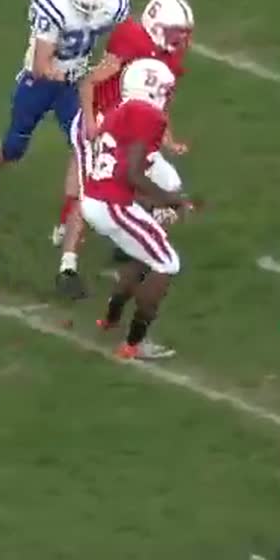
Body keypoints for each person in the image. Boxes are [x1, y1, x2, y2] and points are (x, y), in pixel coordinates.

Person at [53, 0, 193, 298]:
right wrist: (91, 122)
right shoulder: (132, 40)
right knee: (91, 194)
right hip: (103, 122)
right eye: (174, 32)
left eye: (183, 33)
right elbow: (89, 82)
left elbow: (159, 103)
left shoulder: (169, 56)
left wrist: (167, 139)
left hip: (131, 129)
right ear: (155, 26)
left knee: (169, 182)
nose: (180, 40)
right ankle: (68, 267)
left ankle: (131, 243)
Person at [0, 0, 128, 217]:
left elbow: (121, 42)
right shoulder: (54, 6)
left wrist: (107, 68)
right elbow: (41, 65)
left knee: (85, 145)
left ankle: (68, 218)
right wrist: (83, 75)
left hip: (73, 86)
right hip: (39, 84)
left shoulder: (114, 3)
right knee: (13, 148)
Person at [78, 58, 195, 360]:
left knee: (144, 257)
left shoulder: (119, 110)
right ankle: (133, 344)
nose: (168, 96)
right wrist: (172, 200)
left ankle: (110, 319)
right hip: (113, 203)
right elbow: (132, 173)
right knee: (167, 262)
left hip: (97, 196)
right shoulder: (147, 116)